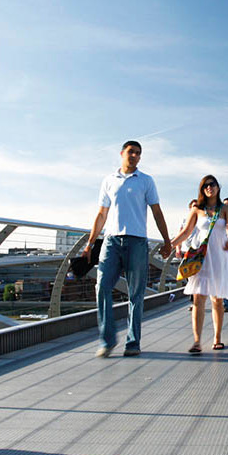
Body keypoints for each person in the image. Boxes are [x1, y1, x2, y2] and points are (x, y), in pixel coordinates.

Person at [83, 141, 172, 358]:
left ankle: (133, 342)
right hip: (111, 241)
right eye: (131, 152)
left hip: (137, 242)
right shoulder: (109, 180)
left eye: (138, 154)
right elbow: (101, 214)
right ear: (122, 153)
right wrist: (90, 242)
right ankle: (107, 340)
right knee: (102, 287)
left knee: (136, 294)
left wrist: (167, 240)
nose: (135, 156)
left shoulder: (146, 181)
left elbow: (157, 212)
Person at [171, 175, 228, 352]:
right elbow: (186, 232)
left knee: (217, 299)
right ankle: (197, 341)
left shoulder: (226, 209)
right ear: (202, 189)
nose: (209, 188)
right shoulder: (197, 210)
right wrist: (171, 244)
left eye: (212, 184)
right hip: (201, 257)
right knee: (198, 299)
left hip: (219, 256)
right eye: (206, 185)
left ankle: (217, 338)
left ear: (218, 187)